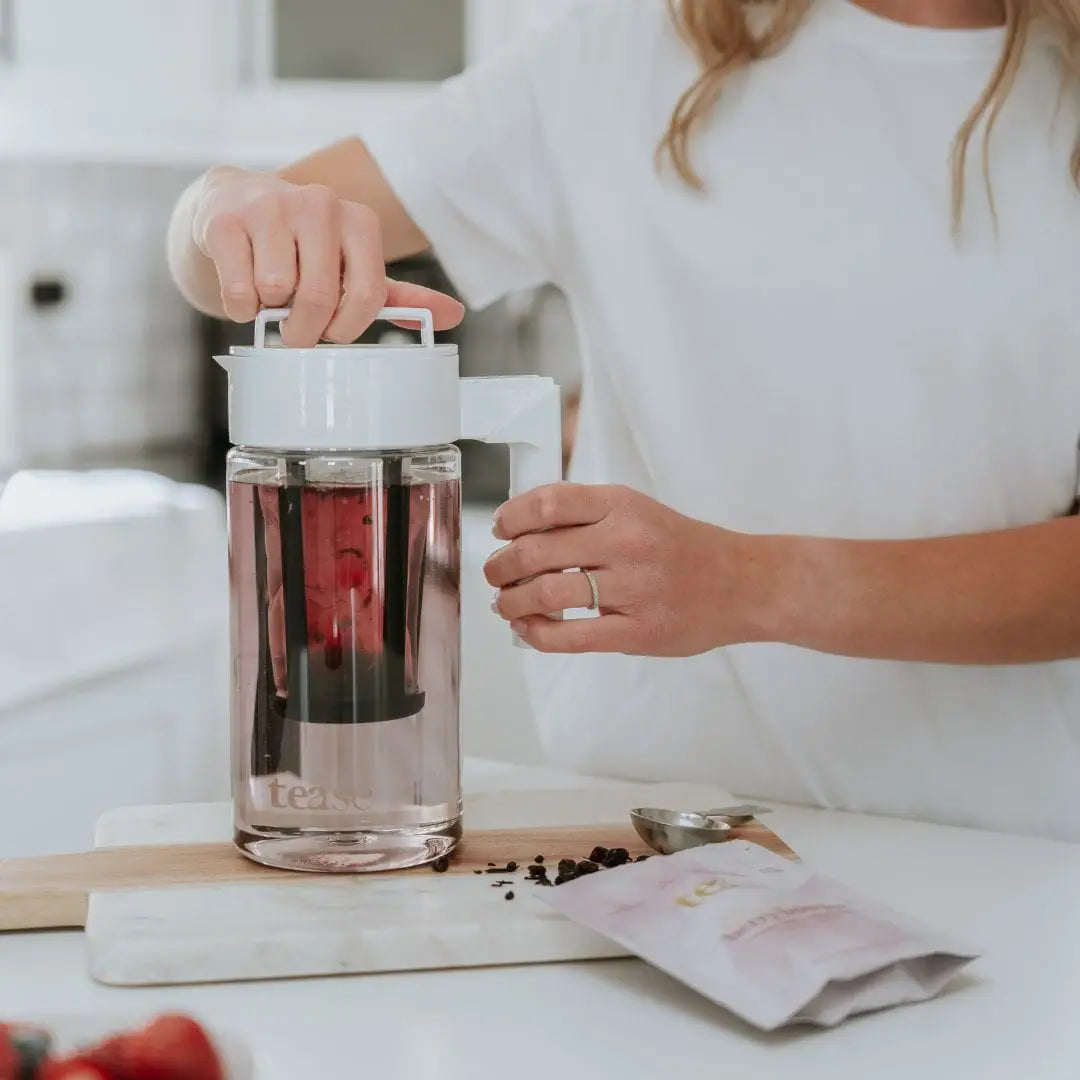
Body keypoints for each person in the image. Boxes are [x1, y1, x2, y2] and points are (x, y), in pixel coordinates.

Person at [167, 0, 1080, 841]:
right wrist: (224, 206)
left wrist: (744, 582)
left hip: (1005, 848)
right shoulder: (622, 57)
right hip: (645, 841)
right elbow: (219, 255)